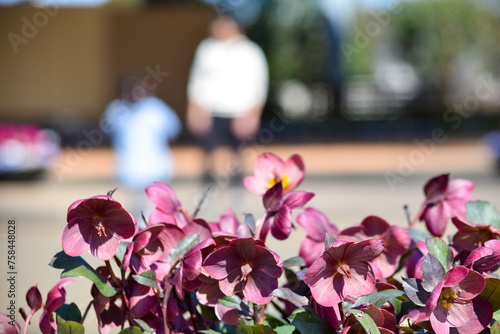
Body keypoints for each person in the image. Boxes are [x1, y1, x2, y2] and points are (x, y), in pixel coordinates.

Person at [186, 13, 269, 188]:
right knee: (209, 155)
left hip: (240, 112)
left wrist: (253, 114)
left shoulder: (251, 51)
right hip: (211, 111)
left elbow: (260, 85)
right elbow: (196, 81)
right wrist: (194, 109)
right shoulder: (207, 48)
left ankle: (236, 192)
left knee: (238, 156)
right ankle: (206, 193)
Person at [102, 74, 181, 221]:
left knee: (158, 210)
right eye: (128, 90)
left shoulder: (157, 108)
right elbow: (105, 132)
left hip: (157, 168)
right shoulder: (115, 109)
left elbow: (174, 130)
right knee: (136, 213)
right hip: (129, 170)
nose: (133, 93)